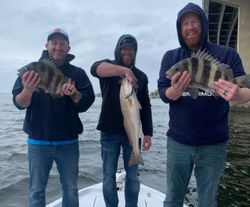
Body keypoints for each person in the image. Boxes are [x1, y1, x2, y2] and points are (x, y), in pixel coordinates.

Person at [158, 3, 250, 207]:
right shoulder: (171, 58)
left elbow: (247, 91)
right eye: (185, 23)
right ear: (180, 29)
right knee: (172, 199)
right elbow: (164, 93)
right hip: (178, 142)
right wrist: (176, 90)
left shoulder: (228, 55)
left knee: (208, 201)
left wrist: (237, 94)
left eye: (194, 21)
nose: (190, 27)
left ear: (203, 24)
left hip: (214, 144)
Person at [12, 28, 95, 207]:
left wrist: (74, 94)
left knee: (71, 189)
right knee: (36, 190)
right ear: (47, 45)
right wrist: (27, 89)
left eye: (62, 43)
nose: (58, 47)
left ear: (68, 47)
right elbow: (19, 103)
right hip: (38, 142)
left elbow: (86, 102)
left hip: (68, 142)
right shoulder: (31, 70)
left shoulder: (78, 74)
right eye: (54, 43)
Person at [90, 34, 152, 207]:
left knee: (132, 177)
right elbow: (94, 68)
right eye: (124, 48)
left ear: (135, 52)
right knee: (108, 176)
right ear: (118, 50)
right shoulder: (108, 68)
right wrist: (125, 71)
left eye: (131, 49)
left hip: (131, 135)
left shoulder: (142, 77)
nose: (127, 52)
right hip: (108, 133)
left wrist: (148, 132)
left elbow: (145, 106)